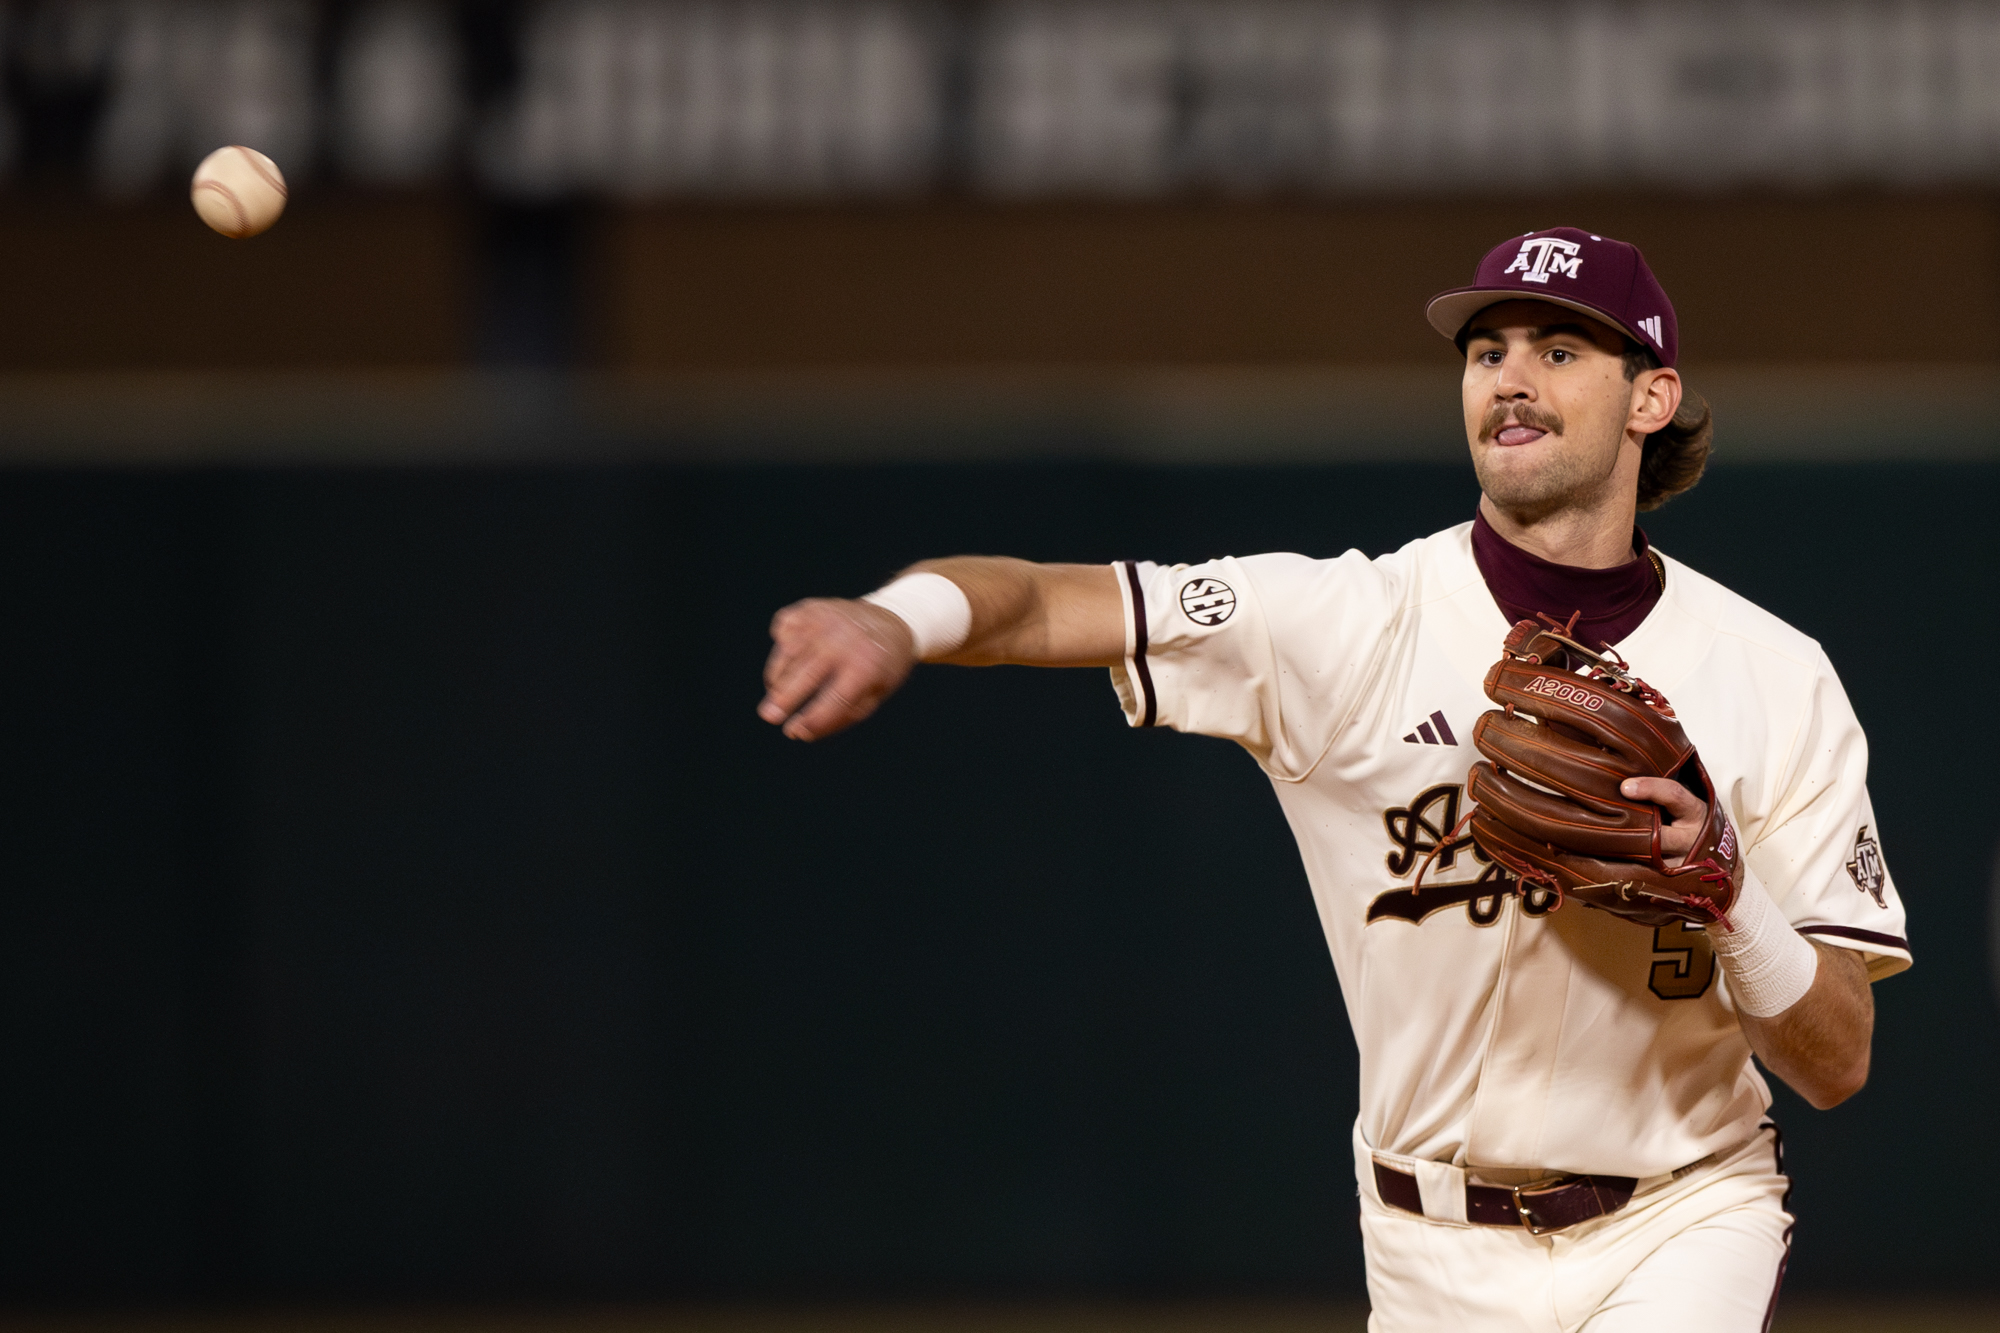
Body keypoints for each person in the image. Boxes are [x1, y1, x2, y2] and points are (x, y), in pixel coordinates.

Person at [756, 227, 1910, 1331]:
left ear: (1648, 398)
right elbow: (1050, 597)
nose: (1509, 379)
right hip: (1425, 1247)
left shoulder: (1772, 672)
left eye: (1557, 351)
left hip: (1681, 1216)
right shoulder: (1340, 623)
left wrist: (1725, 890)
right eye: (1484, 351)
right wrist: (895, 616)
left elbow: (1835, 1061)